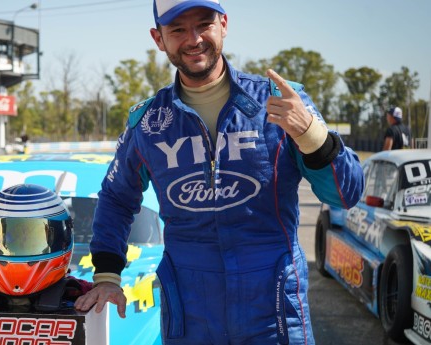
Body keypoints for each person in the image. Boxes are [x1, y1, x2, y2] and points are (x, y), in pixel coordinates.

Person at [74, 1, 364, 344]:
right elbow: (116, 198)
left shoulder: (281, 102)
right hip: (191, 313)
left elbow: (346, 194)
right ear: (159, 39)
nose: (194, 39)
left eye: (204, 24)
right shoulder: (149, 123)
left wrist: (311, 136)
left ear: (224, 24)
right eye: (178, 29)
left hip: (275, 312)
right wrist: (108, 274)